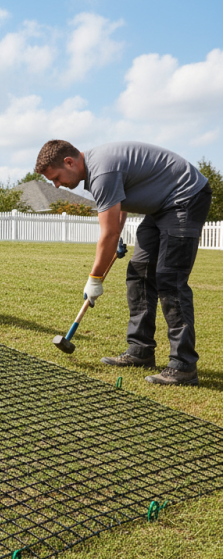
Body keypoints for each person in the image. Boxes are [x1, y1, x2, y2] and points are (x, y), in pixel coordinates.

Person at [35, 140, 212, 386]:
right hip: (161, 206)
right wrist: (117, 233)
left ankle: (183, 365)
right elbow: (119, 207)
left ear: (69, 162)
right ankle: (141, 350)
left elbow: (106, 235)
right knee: (139, 272)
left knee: (170, 280)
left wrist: (94, 279)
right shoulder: (98, 170)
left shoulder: (102, 172)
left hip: (185, 196)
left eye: (56, 178)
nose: (56, 185)